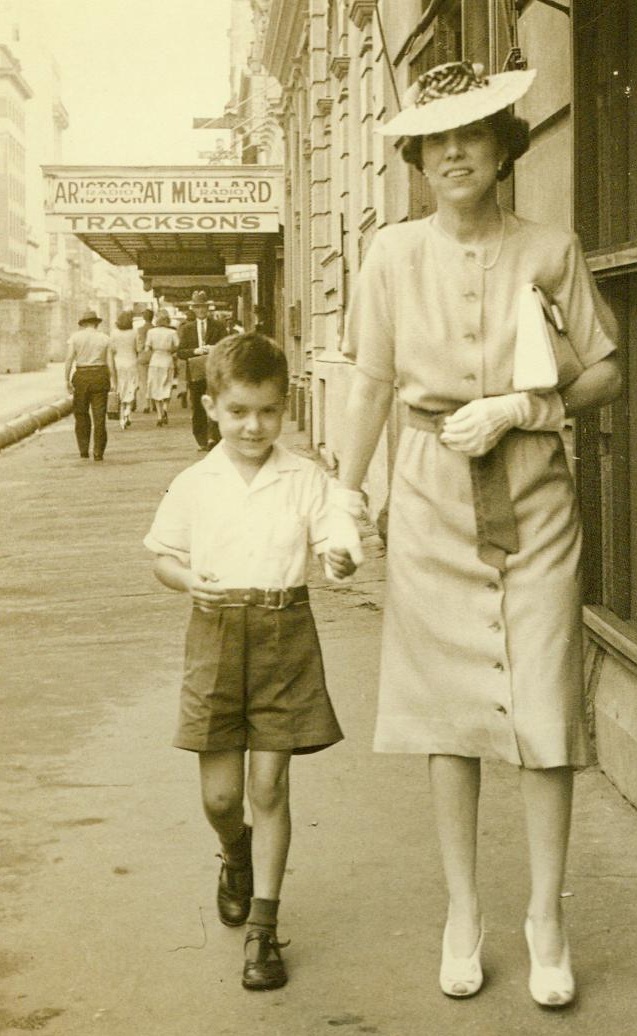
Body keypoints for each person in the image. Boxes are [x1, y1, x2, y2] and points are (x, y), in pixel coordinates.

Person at [328, 61, 623, 1008]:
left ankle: (547, 917)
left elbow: (607, 369)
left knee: (544, 705)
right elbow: (370, 381)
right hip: (428, 495)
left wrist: (523, 410)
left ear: (504, 149)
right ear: (416, 156)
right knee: (445, 715)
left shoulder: (550, 247)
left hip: (533, 495)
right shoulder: (389, 256)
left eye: (475, 134)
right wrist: (345, 493)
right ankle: (463, 913)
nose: (455, 152)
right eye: (436, 138)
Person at [143, 333, 358, 991]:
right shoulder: (195, 483)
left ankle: (263, 930)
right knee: (221, 796)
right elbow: (162, 557)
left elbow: (335, 535)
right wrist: (186, 581)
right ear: (212, 408)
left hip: (283, 634)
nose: (252, 426)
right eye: (237, 411)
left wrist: (340, 556)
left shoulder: (304, 478)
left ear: (285, 408)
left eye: (266, 411)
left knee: (269, 787)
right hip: (213, 634)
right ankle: (235, 852)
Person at [177, 290, 227, 450]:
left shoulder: (218, 326)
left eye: (203, 307)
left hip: (214, 370)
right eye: (197, 307)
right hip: (196, 371)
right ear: (193, 309)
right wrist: (195, 351)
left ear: (208, 308)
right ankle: (202, 439)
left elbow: (227, 347)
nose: (201, 310)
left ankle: (214, 437)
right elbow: (180, 352)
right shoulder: (187, 328)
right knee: (198, 405)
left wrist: (215, 348)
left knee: (215, 402)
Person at [64, 309, 116, 461]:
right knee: (99, 416)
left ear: (83, 323)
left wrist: (66, 379)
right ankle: (98, 451)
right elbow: (110, 364)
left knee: (81, 414)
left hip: (81, 376)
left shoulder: (75, 338)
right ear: (96, 323)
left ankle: (83, 449)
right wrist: (114, 382)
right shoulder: (105, 338)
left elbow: (69, 360)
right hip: (100, 375)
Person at [146, 310, 179, 426]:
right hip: (167, 360)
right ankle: (165, 407)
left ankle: (159, 415)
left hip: (155, 360)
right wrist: (169, 350)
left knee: (156, 387)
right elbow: (177, 346)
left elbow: (147, 347)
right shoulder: (172, 332)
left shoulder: (151, 332)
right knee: (167, 385)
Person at [108, 310, 138, 430]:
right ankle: (128, 411)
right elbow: (137, 348)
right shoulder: (134, 332)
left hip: (118, 362)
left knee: (120, 387)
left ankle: (121, 415)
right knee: (131, 386)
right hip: (131, 361)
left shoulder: (114, 333)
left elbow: (112, 349)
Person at [135, 307, 154, 412]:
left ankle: (146, 404)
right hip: (154, 356)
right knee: (154, 380)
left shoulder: (140, 330)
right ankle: (155, 402)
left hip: (143, 356)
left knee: (143, 381)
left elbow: (138, 346)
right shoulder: (155, 329)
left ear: (143, 317)